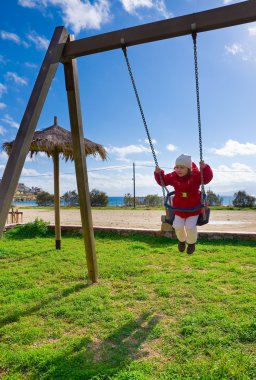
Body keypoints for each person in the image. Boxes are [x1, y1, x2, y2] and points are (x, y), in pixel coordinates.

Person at [154, 154, 213, 254]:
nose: (179, 170)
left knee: (190, 227)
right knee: (177, 226)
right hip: (179, 208)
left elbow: (207, 178)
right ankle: (181, 241)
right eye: (177, 167)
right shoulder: (173, 176)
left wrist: (205, 168)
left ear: (188, 168)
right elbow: (162, 181)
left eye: (182, 167)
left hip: (193, 209)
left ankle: (191, 243)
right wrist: (158, 173)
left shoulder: (196, 175)